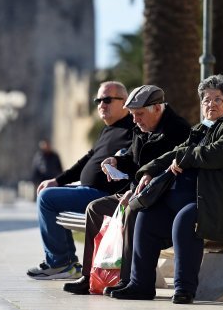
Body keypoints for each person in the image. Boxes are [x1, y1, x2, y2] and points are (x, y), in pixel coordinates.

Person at [110, 74, 223, 304]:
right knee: (146, 216)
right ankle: (140, 285)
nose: (211, 105)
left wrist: (185, 158)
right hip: (193, 198)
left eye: (217, 99)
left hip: (221, 203)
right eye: (206, 100)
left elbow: (217, 154)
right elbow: (174, 153)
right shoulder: (201, 129)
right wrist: (149, 170)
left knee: (186, 220)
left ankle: (184, 289)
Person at [63, 85, 191, 295]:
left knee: (132, 211)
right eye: (132, 114)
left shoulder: (177, 131)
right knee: (95, 209)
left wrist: (135, 193)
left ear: (157, 109)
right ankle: (90, 276)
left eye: (139, 114)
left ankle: (129, 280)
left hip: (161, 200)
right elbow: (133, 160)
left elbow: (169, 173)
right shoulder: (142, 129)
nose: (135, 120)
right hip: (137, 191)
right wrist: (116, 161)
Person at [27, 81, 135, 280]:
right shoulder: (109, 130)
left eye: (108, 100)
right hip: (89, 190)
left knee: (47, 198)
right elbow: (87, 159)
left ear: (125, 102)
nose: (102, 105)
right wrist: (58, 181)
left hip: (106, 196)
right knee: (50, 192)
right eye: (98, 100)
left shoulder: (133, 129)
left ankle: (60, 262)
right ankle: (66, 262)